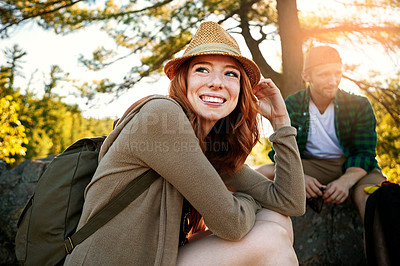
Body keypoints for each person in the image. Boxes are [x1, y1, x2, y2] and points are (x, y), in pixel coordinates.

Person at [64, 21, 305, 265]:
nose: (216, 82)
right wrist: (248, 200)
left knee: (277, 220)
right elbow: (231, 223)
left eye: (230, 73)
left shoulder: (210, 143)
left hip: (155, 256)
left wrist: (281, 122)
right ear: (184, 80)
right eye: (202, 70)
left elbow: (290, 202)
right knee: (270, 236)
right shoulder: (161, 115)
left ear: (242, 90)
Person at [256, 46, 388, 262]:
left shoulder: (359, 104)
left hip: (352, 166)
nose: (333, 80)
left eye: (337, 73)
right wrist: (298, 177)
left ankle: (381, 260)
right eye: (325, 74)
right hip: (309, 164)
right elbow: (280, 151)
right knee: (261, 173)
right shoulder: (293, 103)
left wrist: (346, 182)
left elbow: (364, 153)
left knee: (370, 198)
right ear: (306, 76)